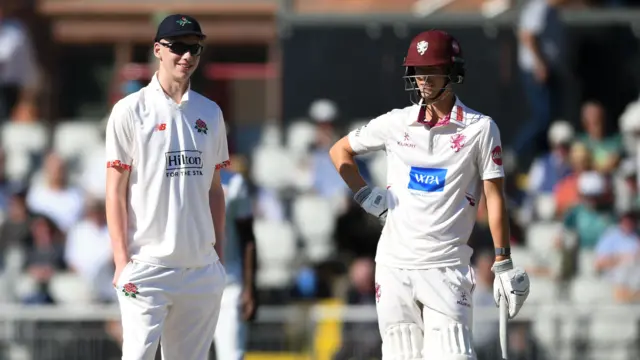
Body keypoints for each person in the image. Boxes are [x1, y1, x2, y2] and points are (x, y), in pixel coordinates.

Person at [328, 30, 531, 359]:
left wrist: (503, 262)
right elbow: (340, 151)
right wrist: (364, 194)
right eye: (418, 71)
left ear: (452, 73)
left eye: (431, 71)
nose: (422, 79)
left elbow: (495, 198)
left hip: (447, 268)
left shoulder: (480, 129)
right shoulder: (397, 123)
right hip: (394, 265)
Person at [105, 14, 229, 360]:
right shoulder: (130, 111)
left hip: (201, 269)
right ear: (158, 50)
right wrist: (120, 263)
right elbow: (114, 192)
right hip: (146, 267)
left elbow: (215, 190)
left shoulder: (211, 112)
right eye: (178, 47)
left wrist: (217, 258)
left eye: (195, 48)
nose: (187, 56)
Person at [214, 168, 258, 360]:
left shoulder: (234, 183)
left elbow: (247, 237)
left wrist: (249, 287)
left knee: (232, 355)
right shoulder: (177, 175)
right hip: (187, 281)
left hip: (228, 284)